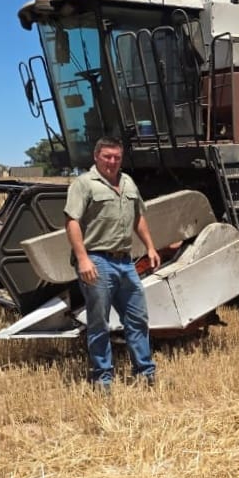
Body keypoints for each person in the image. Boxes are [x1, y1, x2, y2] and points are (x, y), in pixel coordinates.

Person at [64, 136, 160, 390]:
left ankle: (145, 372)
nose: (112, 161)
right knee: (99, 323)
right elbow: (71, 221)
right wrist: (83, 258)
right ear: (96, 157)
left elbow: (138, 216)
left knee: (137, 319)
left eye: (117, 157)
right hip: (97, 260)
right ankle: (102, 378)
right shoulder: (83, 184)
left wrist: (150, 246)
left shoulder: (127, 182)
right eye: (107, 156)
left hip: (125, 262)